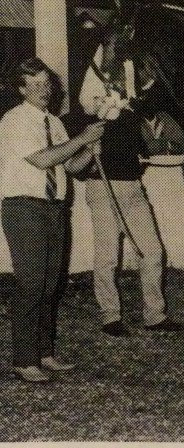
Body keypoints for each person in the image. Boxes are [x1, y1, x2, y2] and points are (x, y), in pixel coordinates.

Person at [0, 58, 105, 382]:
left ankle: (44, 353)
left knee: (50, 285)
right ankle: (24, 359)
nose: (43, 90)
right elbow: (43, 159)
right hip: (25, 208)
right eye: (35, 85)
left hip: (55, 208)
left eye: (47, 83)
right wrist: (82, 139)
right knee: (31, 284)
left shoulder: (55, 123)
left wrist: (90, 150)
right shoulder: (14, 121)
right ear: (21, 89)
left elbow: (70, 167)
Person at [78, 45, 184, 337]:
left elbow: (157, 133)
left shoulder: (136, 106)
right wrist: (105, 108)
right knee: (107, 256)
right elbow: (89, 110)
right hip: (103, 186)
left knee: (152, 251)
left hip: (133, 186)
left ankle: (154, 315)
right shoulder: (95, 105)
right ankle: (110, 316)